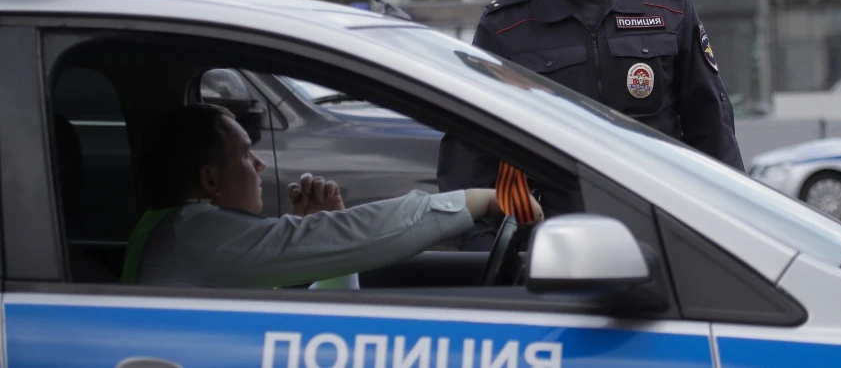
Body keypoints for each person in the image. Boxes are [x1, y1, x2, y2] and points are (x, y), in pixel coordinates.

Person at [437, 0, 743, 250]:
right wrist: (493, 259)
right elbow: (470, 158)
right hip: (549, 254)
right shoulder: (506, 28)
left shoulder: (667, 9)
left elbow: (713, 136)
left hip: (664, 247)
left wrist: (731, 238)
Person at [123, 104, 541, 289]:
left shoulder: (189, 237)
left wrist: (325, 241)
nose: (260, 165)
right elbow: (356, 234)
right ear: (210, 181)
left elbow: (327, 333)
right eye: (246, 155)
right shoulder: (194, 232)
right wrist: (477, 200)